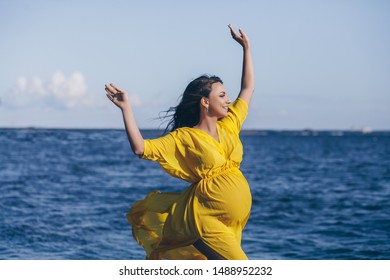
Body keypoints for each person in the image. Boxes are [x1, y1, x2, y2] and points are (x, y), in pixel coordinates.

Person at [105, 24, 254, 260]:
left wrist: (246, 48)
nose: (228, 101)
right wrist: (126, 108)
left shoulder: (229, 126)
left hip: (231, 225)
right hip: (203, 222)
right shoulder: (184, 137)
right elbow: (141, 148)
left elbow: (247, 88)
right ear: (205, 102)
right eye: (222, 96)